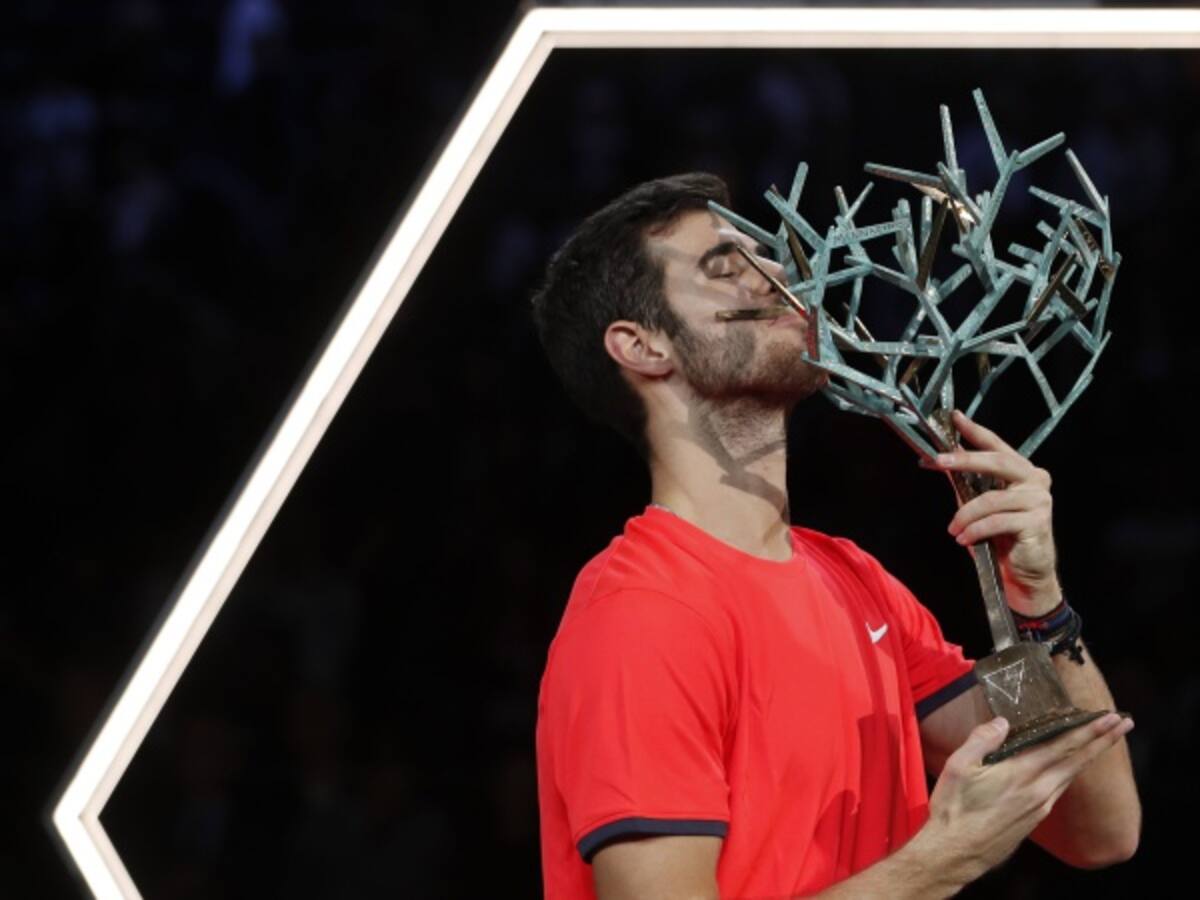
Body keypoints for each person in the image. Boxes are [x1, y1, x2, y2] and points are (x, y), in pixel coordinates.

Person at [529, 173, 1139, 899]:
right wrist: (939, 861)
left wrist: (1038, 606)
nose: (780, 277)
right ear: (643, 346)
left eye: (767, 256)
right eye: (726, 267)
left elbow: (1099, 828)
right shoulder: (641, 615)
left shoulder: (854, 581)